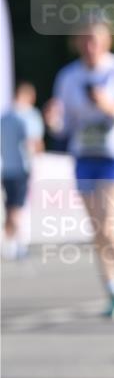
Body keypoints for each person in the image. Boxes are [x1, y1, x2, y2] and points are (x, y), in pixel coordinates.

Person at [43, 16, 114, 320]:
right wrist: (53, 121)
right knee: (97, 229)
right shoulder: (68, 76)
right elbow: (64, 127)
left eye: (95, 40)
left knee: (110, 223)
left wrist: (108, 105)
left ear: (107, 41)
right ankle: (112, 289)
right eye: (84, 40)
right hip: (84, 155)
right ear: (77, 43)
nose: (90, 46)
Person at [1, 82, 44, 259]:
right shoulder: (28, 116)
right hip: (21, 168)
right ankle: (18, 245)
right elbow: (33, 142)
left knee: (11, 206)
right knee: (17, 207)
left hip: (6, 169)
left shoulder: (4, 118)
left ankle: (10, 243)